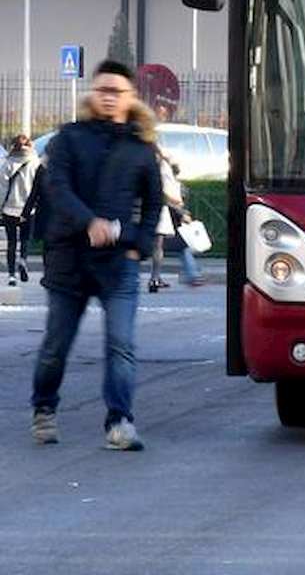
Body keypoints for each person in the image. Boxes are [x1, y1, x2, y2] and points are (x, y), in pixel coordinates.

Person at [30, 59, 162, 451]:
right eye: (102, 90)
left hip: (119, 263)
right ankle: (44, 408)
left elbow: (153, 201)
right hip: (69, 261)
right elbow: (57, 188)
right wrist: (89, 222)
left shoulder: (141, 148)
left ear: (130, 98)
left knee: (121, 343)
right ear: (92, 94)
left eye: (117, 92)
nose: (108, 98)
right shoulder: (69, 138)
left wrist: (139, 244)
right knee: (57, 344)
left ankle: (120, 421)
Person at [150, 146, 204, 292]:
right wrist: (180, 208)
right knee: (169, 245)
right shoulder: (162, 167)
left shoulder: (157, 165)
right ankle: (157, 278)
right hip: (163, 208)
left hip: (160, 208)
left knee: (162, 245)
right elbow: (166, 191)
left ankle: (156, 278)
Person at [1, 134, 41, 286]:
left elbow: (2, 189)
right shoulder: (35, 163)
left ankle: (12, 276)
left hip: (10, 209)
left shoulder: (7, 164)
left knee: (11, 242)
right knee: (25, 239)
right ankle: (23, 260)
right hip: (28, 209)